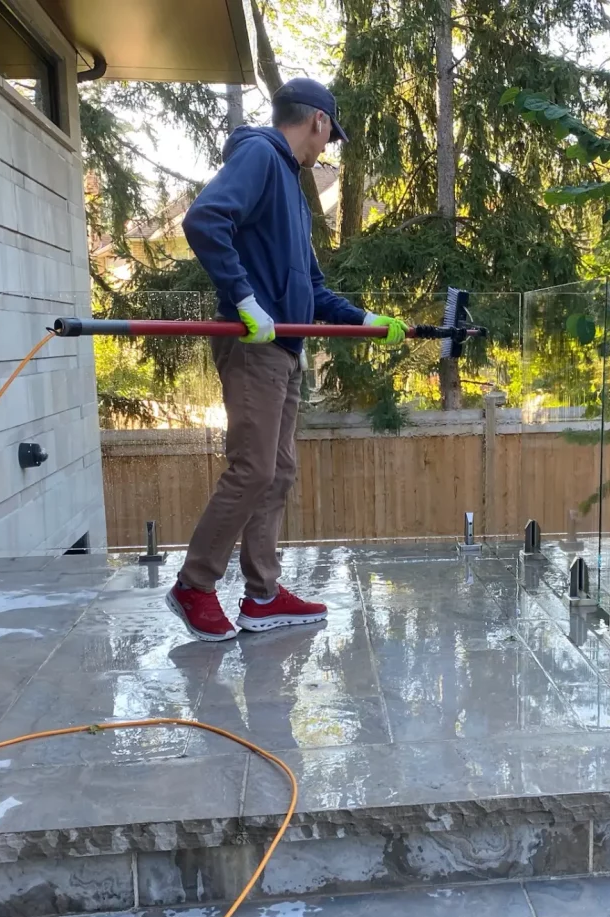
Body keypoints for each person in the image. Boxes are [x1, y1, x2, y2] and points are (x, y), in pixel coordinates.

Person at [166, 78, 407, 642]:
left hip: (284, 350)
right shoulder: (261, 155)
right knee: (253, 468)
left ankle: (264, 595)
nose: (325, 148)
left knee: (277, 471)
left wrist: (364, 320)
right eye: (328, 137)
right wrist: (245, 299)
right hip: (254, 346)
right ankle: (194, 586)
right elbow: (204, 220)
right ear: (318, 121)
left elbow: (313, 290)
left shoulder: (294, 196)